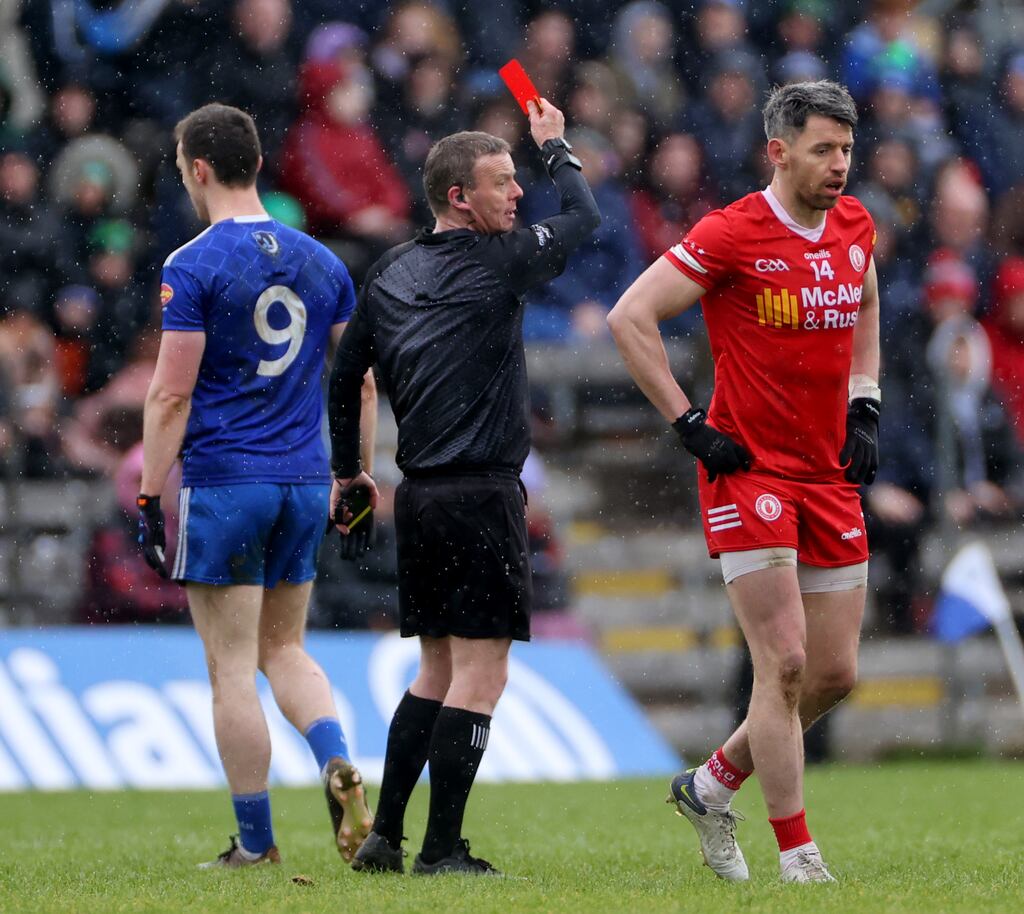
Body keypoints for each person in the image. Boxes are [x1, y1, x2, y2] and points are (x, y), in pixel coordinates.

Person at [608, 80, 880, 884]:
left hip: (828, 475)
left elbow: (863, 300)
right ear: (779, 151)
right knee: (785, 663)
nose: (839, 166)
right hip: (749, 473)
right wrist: (688, 423)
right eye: (824, 150)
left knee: (836, 675)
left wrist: (865, 403)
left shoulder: (857, 225)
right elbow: (630, 316)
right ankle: (798, 853)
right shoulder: (733, 233)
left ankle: (710, 782)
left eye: (847, 150)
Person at [328, 100, 600, 876]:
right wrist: (555, 148)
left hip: (416, 498)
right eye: (503, 182)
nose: (517, 195)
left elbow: (346, 379)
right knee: (481, 675)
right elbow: (584, 219)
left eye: (519, 178)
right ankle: (442, 849)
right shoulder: (502, 258)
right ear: (459, 198)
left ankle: (384, 837)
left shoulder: (388, 271)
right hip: (482, 494)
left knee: (436, 671)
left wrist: (350, 473)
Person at [137, 103, 377, 868]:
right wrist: (355, 473)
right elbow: (360, 382)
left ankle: (256, 843)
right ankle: (334, 755)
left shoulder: (193, 263)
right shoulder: (321, 260)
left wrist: (148, 493)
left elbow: (172, 394)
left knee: (231, 669)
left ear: (197, 169)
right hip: (306, 479)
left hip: (228, 480)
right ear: (258, 165)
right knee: (288, 649)